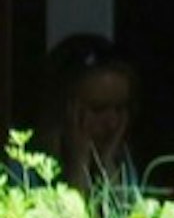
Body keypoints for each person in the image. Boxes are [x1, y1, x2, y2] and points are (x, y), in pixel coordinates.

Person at [40, 35, 137, 198]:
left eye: (119, 108)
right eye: (98, 109)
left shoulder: (122, 158)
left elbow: (122, 217)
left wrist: (107, 164)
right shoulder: (26, 166)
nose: (112, 124)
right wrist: (80, 164)